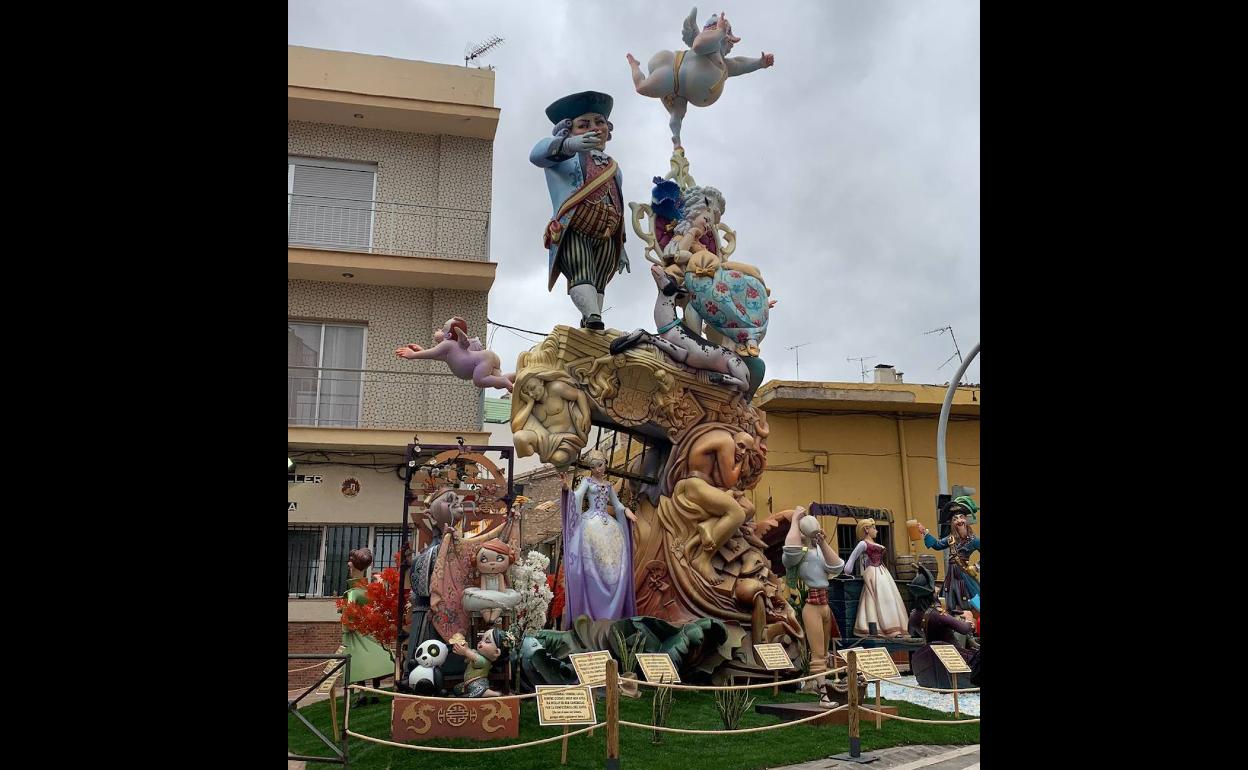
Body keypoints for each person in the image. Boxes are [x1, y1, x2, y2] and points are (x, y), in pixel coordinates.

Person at [530, 91, 629, 330]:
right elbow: (536, 154)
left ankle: (592, 318)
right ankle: (592, 315)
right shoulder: (563, 157)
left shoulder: (614, 168)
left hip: (607, 233)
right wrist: (568, 145)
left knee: (600, 276)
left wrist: (622, 245)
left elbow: (617, 203)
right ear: (568, 129)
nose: (594, 128)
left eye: (599, 122)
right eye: (583, 125)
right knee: (580, 268)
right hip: (575, 226)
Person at [561, 450, 638, 622]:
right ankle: (593, 605)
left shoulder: (609, 486)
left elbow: (617, 505)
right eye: (595, 466)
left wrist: (626, 511)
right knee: (592, 565)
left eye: (601, 465)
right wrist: (567, 488)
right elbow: (577, 496)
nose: (598, 469)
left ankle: (614, 605)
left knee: (613, 565)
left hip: (609, 525)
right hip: (591, 524)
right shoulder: (587, 482)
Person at [781, 507, 846, 708]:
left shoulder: (818, 550)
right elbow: (790, 549)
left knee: (825, 651)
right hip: (812, 607)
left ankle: (825, 687)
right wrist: (794, 520)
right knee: (818, 653)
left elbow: (837, 567)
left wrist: (822, 542)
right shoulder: (796, 555)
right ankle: (824, 696)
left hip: (825, 605)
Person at [844, 519, 909, 638]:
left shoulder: (873, 543)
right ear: (867, 529)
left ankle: (893, 628)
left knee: (888, 598)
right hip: (872, 573)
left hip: (882, 573)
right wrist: (847, 571)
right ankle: (877, 628)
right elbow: (852, 557)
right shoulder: (863, 544)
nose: (877, 531)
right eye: (874, 528)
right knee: (874, 598)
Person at [917, 496, 980, 614]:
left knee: (973, 599)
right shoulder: (950, 539)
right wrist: (925, 532)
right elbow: (937, 545)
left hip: (965, 575)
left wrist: (976, 567)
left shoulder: (974, 540)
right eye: (955, 519)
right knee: (947, 601)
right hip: (951, 575)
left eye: (961, 517)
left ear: (966, 519)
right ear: (952, 522)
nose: (959, 521)